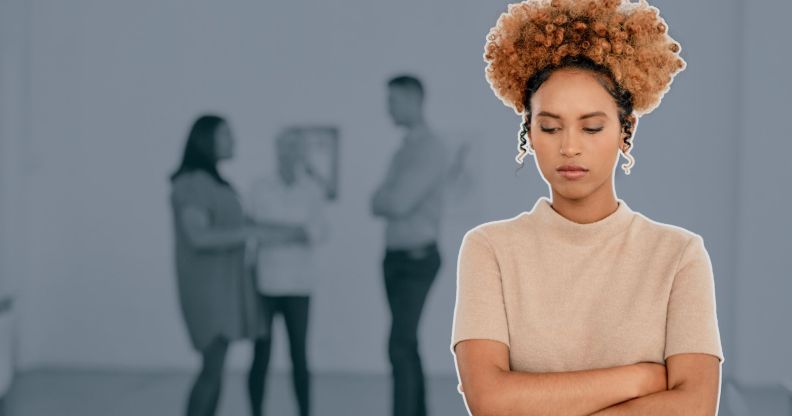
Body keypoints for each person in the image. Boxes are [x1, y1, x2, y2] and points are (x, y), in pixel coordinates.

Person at [451, 1, 724, 415]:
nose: (569, 146)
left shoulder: (678, 254)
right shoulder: (490, 248)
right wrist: (642, 378)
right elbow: (490, 401)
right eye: (550, 127)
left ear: (624, 132)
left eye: (592, 127)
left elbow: (696, 404)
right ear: (529, 134)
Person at [169, 114, 308, 416]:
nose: (234, 141)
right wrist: (251, 232)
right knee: (211, 371)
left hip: (223, 289)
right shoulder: (192, 183)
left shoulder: (215, 183)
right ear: (207, 141)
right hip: (207, 291)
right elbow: (199, 236)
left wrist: (288, 232)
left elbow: (244, 224)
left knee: (215, 370)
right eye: (226, 135)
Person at [371, 75, 449, 416]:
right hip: (395, 259)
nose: (388, 107)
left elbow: (395, 202)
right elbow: (374, 201)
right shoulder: (405, 149)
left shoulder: (430, 149)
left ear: (413, 100)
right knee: (407, 343)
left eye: (393, 100)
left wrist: (387, 197)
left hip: (417, 260)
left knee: (399, 344)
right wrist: (386, 198)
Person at [246, 128, 331, 416]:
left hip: (299, 286)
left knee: (300, 357)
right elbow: (254, 231)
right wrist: (294, 231)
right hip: (265, 285)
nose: (288, 153)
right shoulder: (260, 187)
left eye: (295, 148)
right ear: (276, 150)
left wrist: (274, 230)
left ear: (301, 153)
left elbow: (317, 233)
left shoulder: (312, 190)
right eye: (284, 147)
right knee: (261, 356)